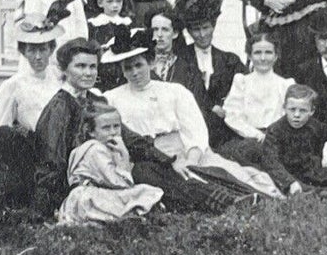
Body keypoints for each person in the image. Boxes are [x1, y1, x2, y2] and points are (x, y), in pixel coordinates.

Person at [32, 37, 218, 218]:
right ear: (64, 70)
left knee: (150, 169)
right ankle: (211, 200)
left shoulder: (96, 101)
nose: (88, 73)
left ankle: (217, 198)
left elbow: (132, 139)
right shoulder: (60, 107)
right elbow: (51, 162)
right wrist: (51, 208)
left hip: (109, 177)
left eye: (92, 66)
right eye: (80, 66)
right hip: (80, 188)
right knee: (144, 175)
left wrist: (169, 161)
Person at [106, 30, 281, 199]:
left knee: (220, 174)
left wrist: (191, 159)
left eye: (139, 65)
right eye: (128, 68)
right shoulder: (111, 98)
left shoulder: (174, 91)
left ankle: (252, 195)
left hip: (182, 149)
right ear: (122, 71)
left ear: (151, 62)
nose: (135, 73)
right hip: (145, 157)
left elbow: (195, 129)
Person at [56, 103, 165, 225]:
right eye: (106, 128)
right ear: (91, 132)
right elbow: (121, 183)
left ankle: (131, 215)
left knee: (145, 191)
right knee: (145, 192)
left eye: (116, 126)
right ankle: (127, 217)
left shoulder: (107, 147)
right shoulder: (95, 150)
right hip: (89, 198)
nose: (113, 132)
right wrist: (124, 154)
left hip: (100, 193)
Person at [169, 0, 245, 149]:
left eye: (206, 27)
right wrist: (210, 107)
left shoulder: (230, 60)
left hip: (225, 128)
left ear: (213, 27)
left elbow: (245, 90)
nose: (202, 34)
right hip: (191, 125)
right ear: (189, 31)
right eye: (196, 29)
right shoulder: (181, 58)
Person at [258, 83, 327, 194]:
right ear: (284, 108)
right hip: (292, 178)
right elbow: (271, 162)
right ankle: (325, 192)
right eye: (292, 109)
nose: (296, 115)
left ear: (311, 111)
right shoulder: (275, 130)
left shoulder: (315, 126)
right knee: (278, 181)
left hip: (316, 174)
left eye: (303, 110)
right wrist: (290, 182)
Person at [216, 31, 291, 173]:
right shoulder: (242, 81)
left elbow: (287, 116)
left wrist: (272, 136)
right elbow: (233, 116)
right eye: (257, 53)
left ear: (276, 56)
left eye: (268, 52)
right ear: (249, 56)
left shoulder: (284, 84)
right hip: (247, 138)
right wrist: (256, 135)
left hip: (276, 139)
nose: (263, 58)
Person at [0, 15, 63, 131]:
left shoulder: (60, 79)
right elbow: (1, 130)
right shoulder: (12, 85)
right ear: (23, 52)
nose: (38, 56)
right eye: (31, 50)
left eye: (43, 49)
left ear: (51, 49)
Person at [84, 0, 135, 91]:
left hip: (123, 64)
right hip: (104, 66)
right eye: (110, 1)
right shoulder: (95, 24)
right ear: (100, 3)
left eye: (119, 1)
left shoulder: (126, 22)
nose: (115, 5)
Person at [148, 11, 180, 81]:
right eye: (155, 29)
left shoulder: (185, 66)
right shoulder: (143, 63)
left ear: (175, 33)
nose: (159, 34)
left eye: (165, 29)